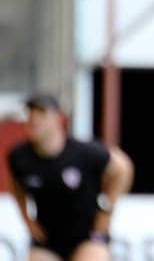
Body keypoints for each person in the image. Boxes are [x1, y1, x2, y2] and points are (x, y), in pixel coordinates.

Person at [7, 93, 134, 261]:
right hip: (48, 238)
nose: (34, 120)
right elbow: (16, 185)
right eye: (30, 114)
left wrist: (107, 211)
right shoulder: (19, 156)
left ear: (57, 118)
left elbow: (123, 168)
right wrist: (27, 219)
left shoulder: (84, 151)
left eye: (41, 114)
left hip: (87, 236)